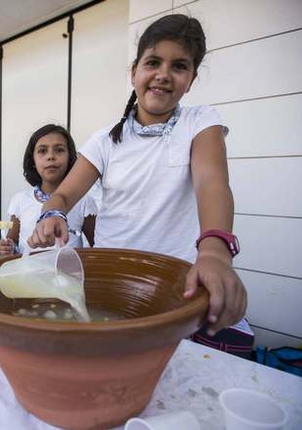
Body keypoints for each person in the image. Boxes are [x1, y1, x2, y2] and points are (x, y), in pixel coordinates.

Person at [29, 15, 247, 339]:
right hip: (111, 281)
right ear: (134, 72)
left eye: (179, 66)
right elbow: (63, 195)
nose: (163, 75)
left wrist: (215, 250)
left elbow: (211, 181)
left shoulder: (200, 122)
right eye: (153, 62)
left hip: (177, 285)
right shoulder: (105, 140)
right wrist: (53, 213)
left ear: (191, 78)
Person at [0, 124, 96, 256]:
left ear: (70, 158)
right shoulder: (19, 201)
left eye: (59, 150)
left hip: (68, 275)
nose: (50, 156)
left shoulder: (84, 201)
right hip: (27, 275)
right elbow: (12, 240)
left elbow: (97, 244)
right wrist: (8, 247)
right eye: (42, 151)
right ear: (32, 160)